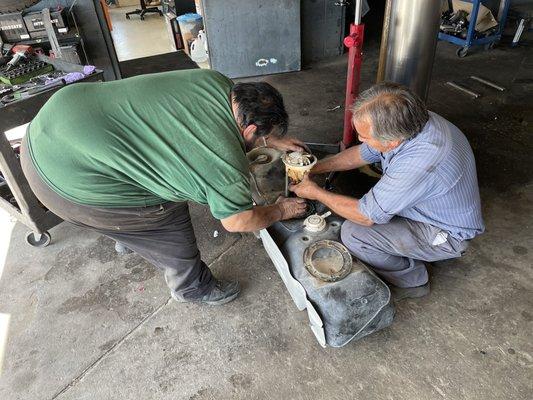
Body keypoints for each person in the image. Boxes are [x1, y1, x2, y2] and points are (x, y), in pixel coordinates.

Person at [21, 69, 307, 306]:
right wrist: (280, 209)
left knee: (142, 171)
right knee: (166, 209)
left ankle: (127, 231)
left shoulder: (216, 82)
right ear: (250, 131)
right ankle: (192, 287)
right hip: (62, 184)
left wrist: (271, 139)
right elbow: (238, 220)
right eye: (261, 137)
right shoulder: (225, 164)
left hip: (47, 129)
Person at [290, 82, 485, 299]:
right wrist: (314, 167)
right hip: (431, 205)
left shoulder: (419, 162)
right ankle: (411, 252)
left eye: (364, 137)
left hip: (445, 231)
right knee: (357, 199)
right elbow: (360, 154)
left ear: (392, 142)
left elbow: (366, 216)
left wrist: (316, 192)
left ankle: (413, 281)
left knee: (355, 234)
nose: (361, 140)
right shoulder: (409, 120)